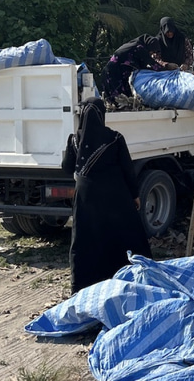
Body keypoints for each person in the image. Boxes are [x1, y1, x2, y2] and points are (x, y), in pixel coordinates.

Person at [61, 97, 152, 293]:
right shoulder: (114, 138)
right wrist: (135, 195)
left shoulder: (74, 140)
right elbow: (128, 169)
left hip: (86, 196)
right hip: (115, 195)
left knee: (87, 237)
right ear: (102, 115)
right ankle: (129, 276)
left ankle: (83, 285)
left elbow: (67, 168)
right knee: (122, 233)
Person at [100, 34, 162, 107]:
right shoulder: (139, 48)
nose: (152, 53)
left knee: (123, 101)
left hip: (113, 73)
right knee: (120, 102)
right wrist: (166, 69)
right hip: (114, 75)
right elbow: (153, 65)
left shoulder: (134, 45)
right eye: (152, 51)